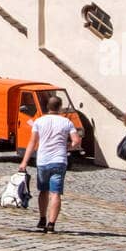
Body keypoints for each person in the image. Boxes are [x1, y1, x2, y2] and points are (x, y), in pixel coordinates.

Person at [19, 94, 82, 232]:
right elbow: (77, 141)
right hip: (59, 161)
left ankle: (42, 218)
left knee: (43, 191)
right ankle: (51, 224)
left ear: (47, 107)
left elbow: (32, 142)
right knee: (56, 193)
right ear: (60, 107)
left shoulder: (39, 121)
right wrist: (68, 147)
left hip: (43, 161)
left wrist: (24, 162)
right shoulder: (67, 122)